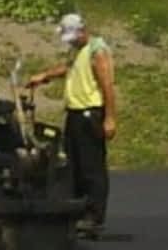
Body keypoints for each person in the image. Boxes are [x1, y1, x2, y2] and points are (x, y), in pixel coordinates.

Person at [25, 12, 116, 237]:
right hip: (74, 113)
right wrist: (44, 76)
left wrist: (110, 117)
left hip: (90, 114)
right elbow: (67, 68)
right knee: (73, 164)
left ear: (81, 31)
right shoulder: (77, 51)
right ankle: (78, 212)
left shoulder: (97, 51)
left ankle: (94, 217)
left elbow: (107, 85)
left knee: (91, 167)